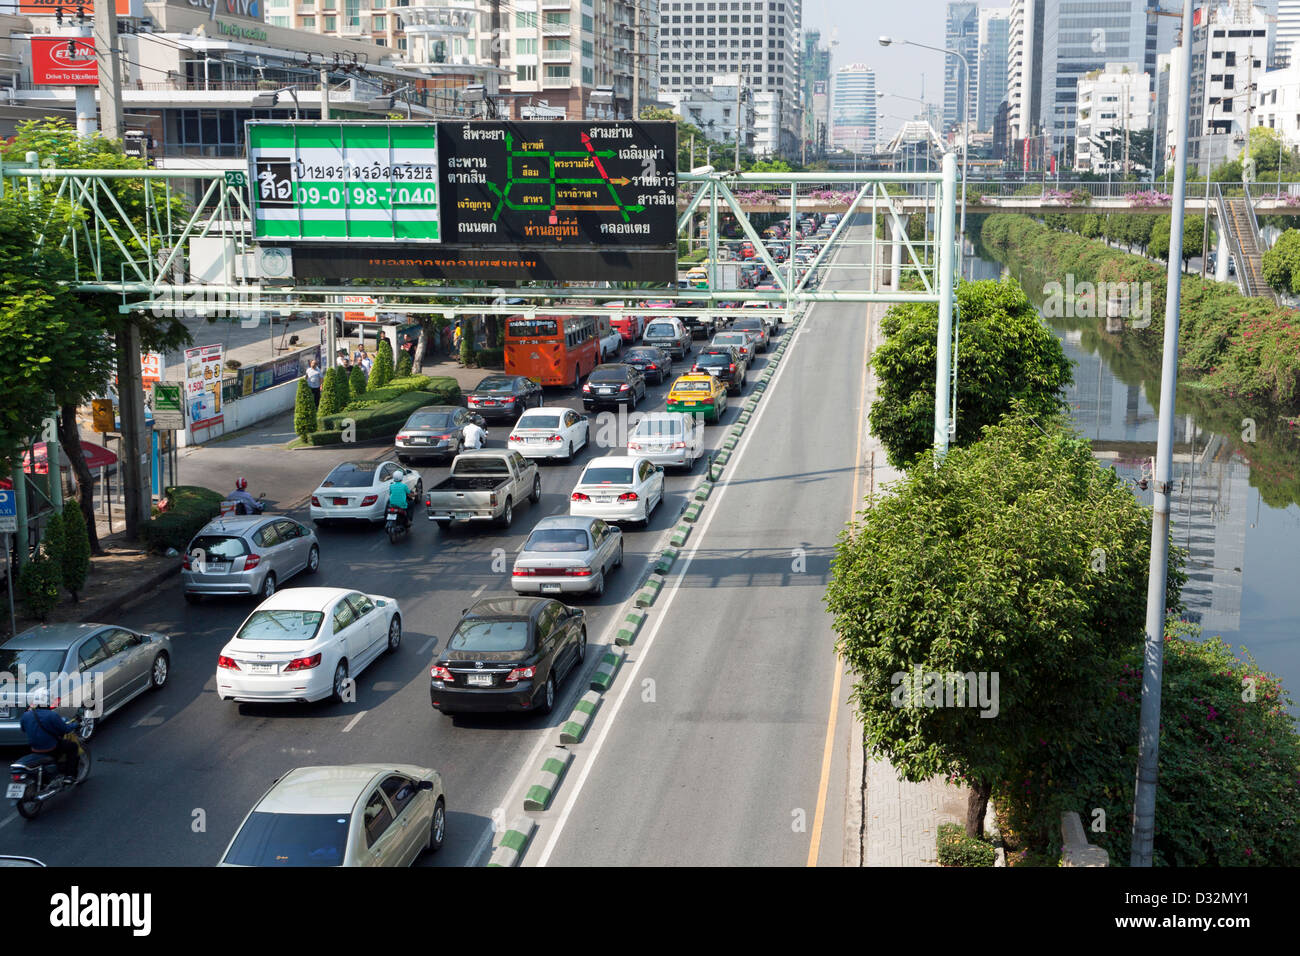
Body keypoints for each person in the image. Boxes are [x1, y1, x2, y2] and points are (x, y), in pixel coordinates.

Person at [20, 687, 78, 778]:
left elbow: (23, 729)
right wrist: (75, 724)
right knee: (73, 747)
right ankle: (70, 775)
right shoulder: (52, 715)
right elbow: (65, 729)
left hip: (34, 748)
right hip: (51, 748)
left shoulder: (26, 715)